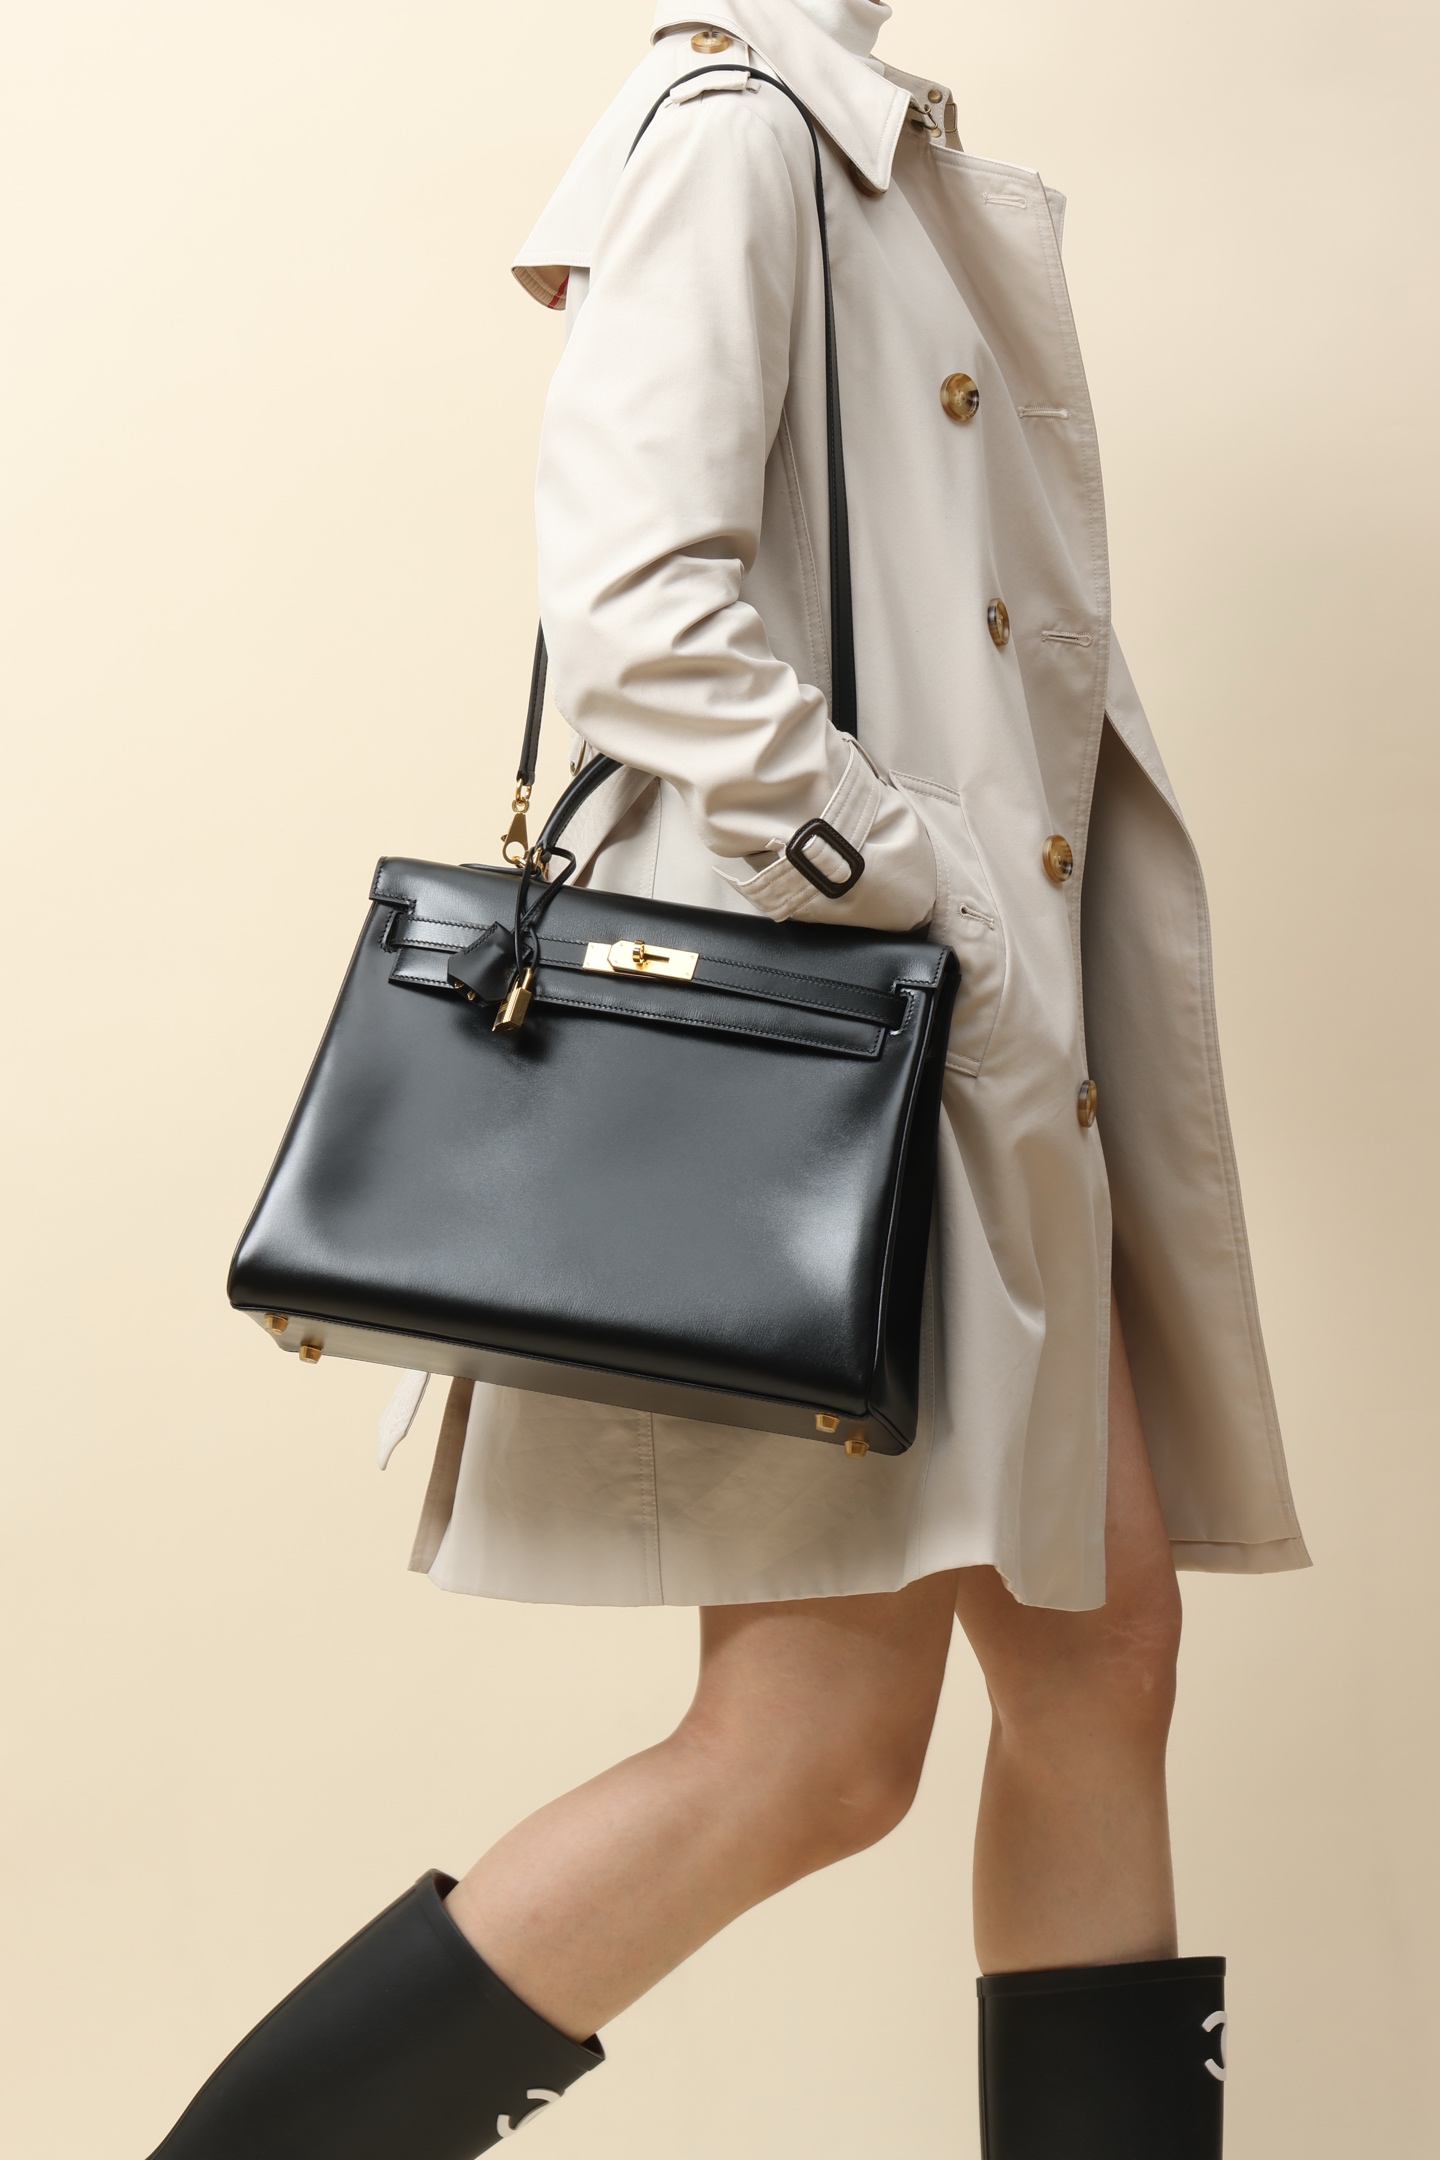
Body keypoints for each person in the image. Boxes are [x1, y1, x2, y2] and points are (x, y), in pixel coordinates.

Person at [145, 4, 1308, 2156]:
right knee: (809, 1751)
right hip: (876, 1056)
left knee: (1096, 1664)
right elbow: (635, 605)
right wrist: (913, 881)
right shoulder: (734, 129)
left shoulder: (861, 144)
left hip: (983, 1072)